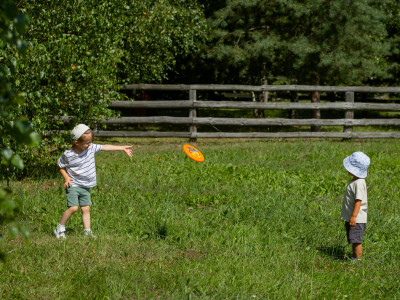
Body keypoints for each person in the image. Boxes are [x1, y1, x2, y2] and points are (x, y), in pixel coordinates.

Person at [53, 124, 133, 239]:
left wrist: (121, 148)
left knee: (86, 209)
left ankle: (87, 232)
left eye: (91, 141)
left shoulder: (90, 148)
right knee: (73, 208)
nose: (90, 144)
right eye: (87, 142)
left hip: (85, 186)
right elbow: (59, 165)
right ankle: (60, 228)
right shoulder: (68, 154)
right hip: (73, 184)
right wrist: (66, 177)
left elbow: (105, 147)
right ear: (77, 142)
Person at [341, 151, 370, 262]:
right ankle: (354, 257)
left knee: (357, 239)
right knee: (353, 238)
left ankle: (357, 260)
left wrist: (353, 216)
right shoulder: (355, 181)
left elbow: (358, 201)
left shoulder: (359, 183)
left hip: (357, 218)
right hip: (352, 217)